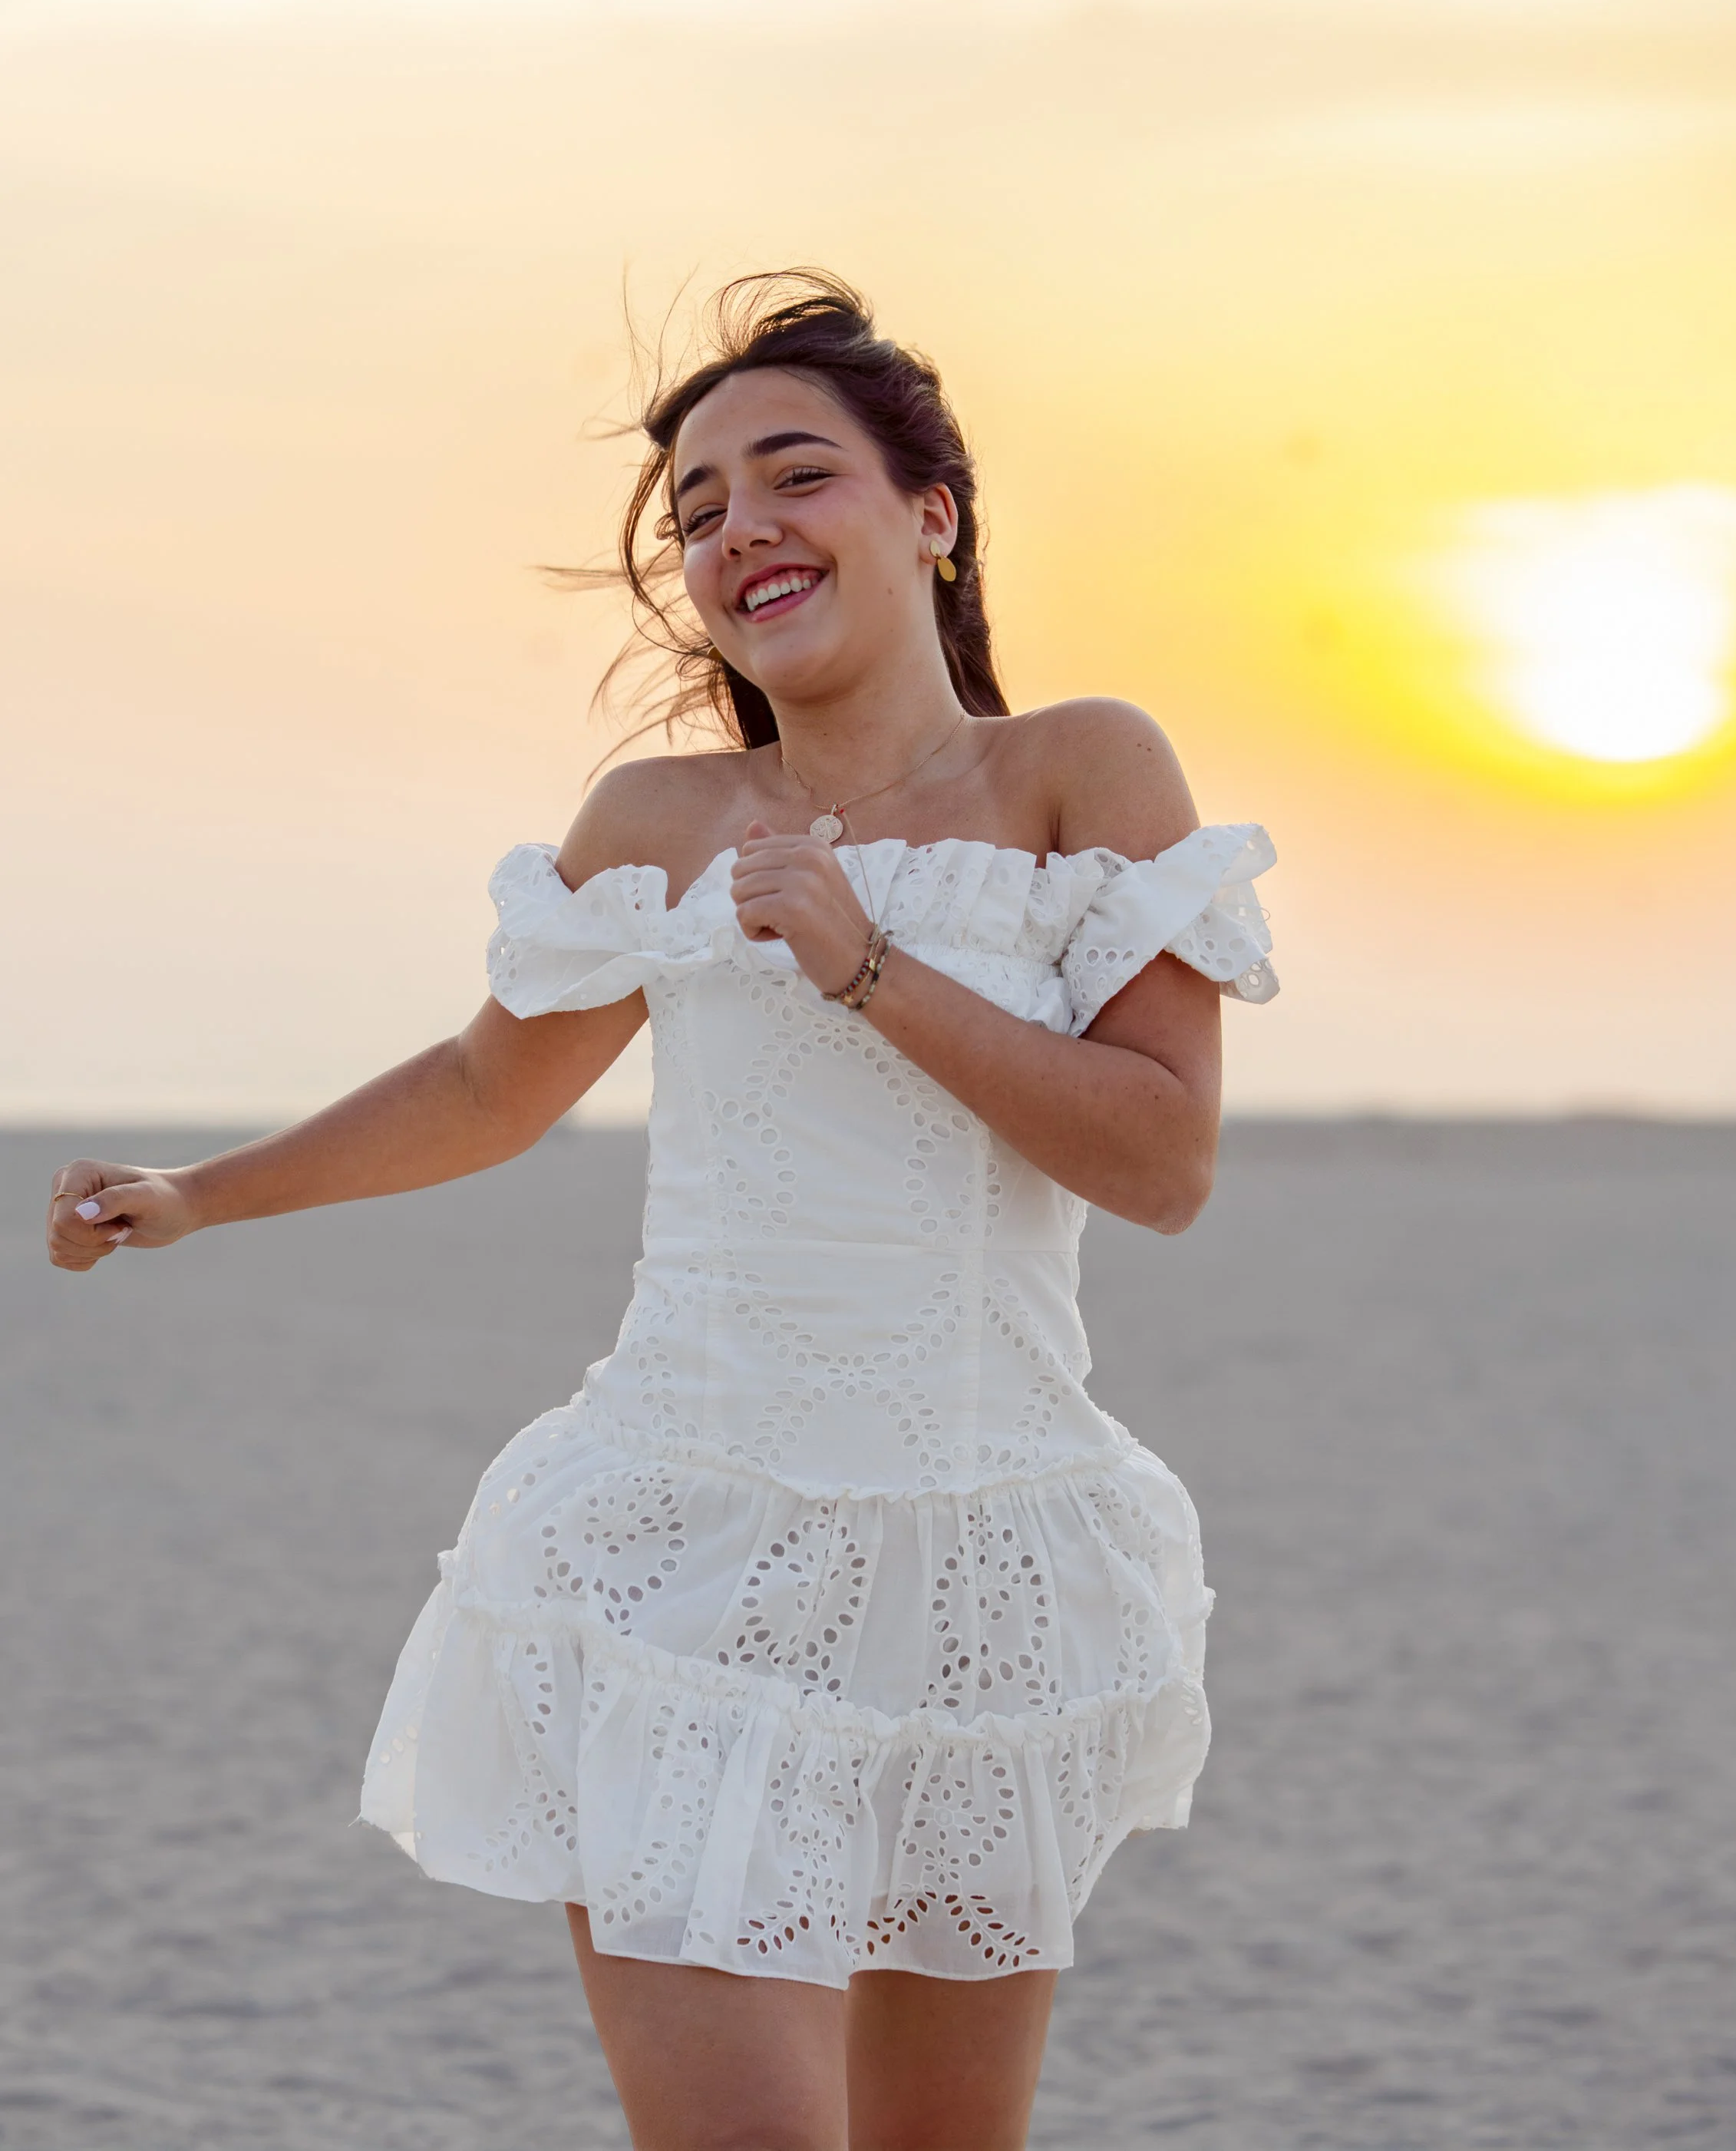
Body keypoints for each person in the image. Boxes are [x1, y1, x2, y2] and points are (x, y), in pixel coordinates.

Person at [46, 272, 1277, 2151]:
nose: (737, 532)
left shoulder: (1075, 774)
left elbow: (1160, 1161)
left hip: (987, 1572)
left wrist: (869, 966)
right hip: (678, 1561)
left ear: (929, 513)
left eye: (793, 476)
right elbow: (482, 1090)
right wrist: (199, 1196)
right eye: (696, 512)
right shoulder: (658, 822)